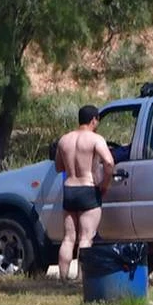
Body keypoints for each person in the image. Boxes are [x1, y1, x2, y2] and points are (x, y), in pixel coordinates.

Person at [56, 105, 115, 281]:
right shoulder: (96, 139)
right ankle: (82, 279)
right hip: (88, 188)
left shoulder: (64, 140)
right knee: (86, 238)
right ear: (94, 120)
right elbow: (109, 163)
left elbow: (59, 167)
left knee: (68, 238)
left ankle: (63, 278)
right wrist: (105, 183)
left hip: (69, 189)